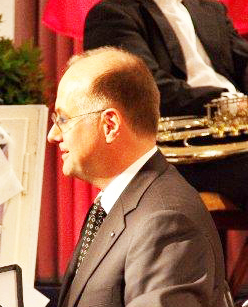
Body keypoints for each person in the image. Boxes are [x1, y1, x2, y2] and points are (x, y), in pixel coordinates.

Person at [0, 47, 226, 307]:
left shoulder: (166, 218)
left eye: (63, 119)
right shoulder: (119, 204)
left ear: (109, 124)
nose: (53, 134)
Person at [83, 0, 248, 210]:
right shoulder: (112, 14)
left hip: (235, 135)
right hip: (178, 153)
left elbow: (244, 63)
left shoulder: (209, 8)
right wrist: (230, 105)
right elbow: (144, 89)